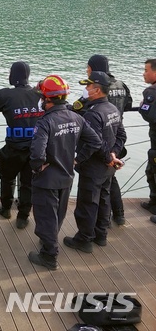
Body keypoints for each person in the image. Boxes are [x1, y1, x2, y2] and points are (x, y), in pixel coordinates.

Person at [27, 75, 101, 270]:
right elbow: (95, 141)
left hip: (47, 179)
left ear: (47, 99)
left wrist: (37, 166)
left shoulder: (45, 122)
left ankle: (49, 256)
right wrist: (77, 159)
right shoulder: (77, 117)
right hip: (66, 176)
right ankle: (49, 241)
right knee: (58, 214)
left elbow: (36, 153)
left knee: (45, 216)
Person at [63, 71, 126, 253]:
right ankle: (101, 235)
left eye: (89, 86)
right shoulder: (112, 109)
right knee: (104, 199)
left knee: (87, 203)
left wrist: (77, 160)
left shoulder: (93, 113)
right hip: (107, 168)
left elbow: (95, 143)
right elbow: (122, 135)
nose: (86, 89)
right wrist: (113, 154)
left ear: (97, 90)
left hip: (93, 166)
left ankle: (84, 239)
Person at [73, 54, 133, 225]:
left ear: (92, 69)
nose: (86, 70)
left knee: (95, 190)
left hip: (97, 141)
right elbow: (128, 105)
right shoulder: (122, 85)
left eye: (88, 67)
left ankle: (87, 234)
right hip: (116, 136)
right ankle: (118, 216)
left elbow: (78, 108)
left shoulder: (94, 90)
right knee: (109, 179)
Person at [0, 61, 44, 229]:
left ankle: (6, 208)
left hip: (14, 147)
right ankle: (23, 216)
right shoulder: (40, 94)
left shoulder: (6, 95)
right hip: (35, 147)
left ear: (12, 76)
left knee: (7, 177)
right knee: (28, 183)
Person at [139, 59, 156, 217]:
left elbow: (149, 115)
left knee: (153, 170)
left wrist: (142, 105)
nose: (144, 73)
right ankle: (153, 202)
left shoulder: (151, 92)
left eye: (146, 70)